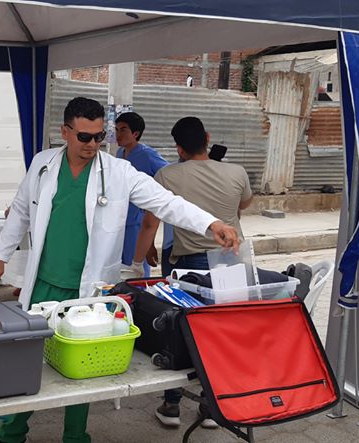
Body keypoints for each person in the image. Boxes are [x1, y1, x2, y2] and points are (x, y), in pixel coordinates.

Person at [0, 98, 240, 443]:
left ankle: (75, 436)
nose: (92, 145)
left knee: (83, 369)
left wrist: (211, 223)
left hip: (88, 290)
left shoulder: (119, 172)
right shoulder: (43, 164)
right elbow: (20, 211)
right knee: (26, 363)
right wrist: (0, 254)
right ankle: (12, 432)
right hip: (43, 284)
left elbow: (166, 202)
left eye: (99, 137)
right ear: (65, 132)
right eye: (84, 137)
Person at [131, 116, 252, 428]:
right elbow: (244, 205)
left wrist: (138, 260)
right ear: (207, 138)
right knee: (222, 332)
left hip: (187, 264)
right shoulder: (237, 172)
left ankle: (172, 405)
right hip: (230, 262)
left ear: (178, 148)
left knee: (179, 331)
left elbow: (150, 223)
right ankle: (213, 406)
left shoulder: (167, 174)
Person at [115, 112, 168, 277]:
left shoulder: (147, 154)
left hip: (139, 222)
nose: (118, 134)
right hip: (121, 218)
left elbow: (168, 175)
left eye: (123, 130)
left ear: (135, 133)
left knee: (136, 267)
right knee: (120, 267)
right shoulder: (119, 153)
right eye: (116, 129)